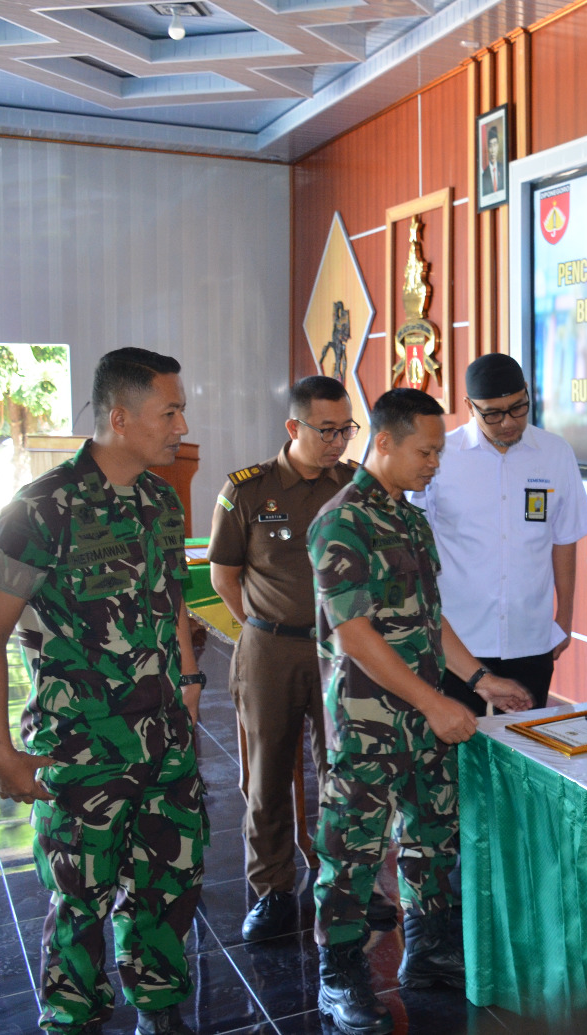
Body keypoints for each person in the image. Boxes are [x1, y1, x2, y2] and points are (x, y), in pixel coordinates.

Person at [0, 347, 206, 1035]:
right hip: (82, 747)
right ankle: (73, 1015)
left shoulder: (161, 499)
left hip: (165, 741)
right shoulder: (40, 510)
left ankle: (160, 1006)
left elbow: (171, 601)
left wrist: (189, 681)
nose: (182, 425)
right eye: (170, 411)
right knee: (79, 897)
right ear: (119, 417)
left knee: (168, 882)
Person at [309, 387, 532, 1035]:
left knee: (432, 831)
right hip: (369, 720)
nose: (434, 463)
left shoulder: (408, 518)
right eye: (426, 452)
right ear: (384, 442)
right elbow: (355, 634)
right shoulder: (342, 521)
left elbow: (429, 620)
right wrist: (436, 702)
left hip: (424, 713)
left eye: (438, 452)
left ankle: (429, 950)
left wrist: (480, 679)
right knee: (352, 845)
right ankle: (339, 973)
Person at [208, 375, 379, 942]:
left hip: (341, 649)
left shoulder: (354, 485)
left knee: (343, 770)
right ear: (293, 426)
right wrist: (263, 624)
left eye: (346, 430)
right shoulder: (248, 491)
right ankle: (273, 889)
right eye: (326, 430)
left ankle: (345, 882)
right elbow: (224, 576)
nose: (338, 441)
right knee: (268, 775)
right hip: (271, 651)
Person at [407, 353, 587, 709]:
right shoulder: (440, 456)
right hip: (458, 641)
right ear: (469, 406)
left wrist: (564, 618)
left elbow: (563, 539)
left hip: (531, 637)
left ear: (527, 393)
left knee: (526, 740)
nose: (508, 422)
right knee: (459, 739)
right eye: (492, 413)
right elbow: (416, 545)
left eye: (518, 408)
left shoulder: (555, 453)